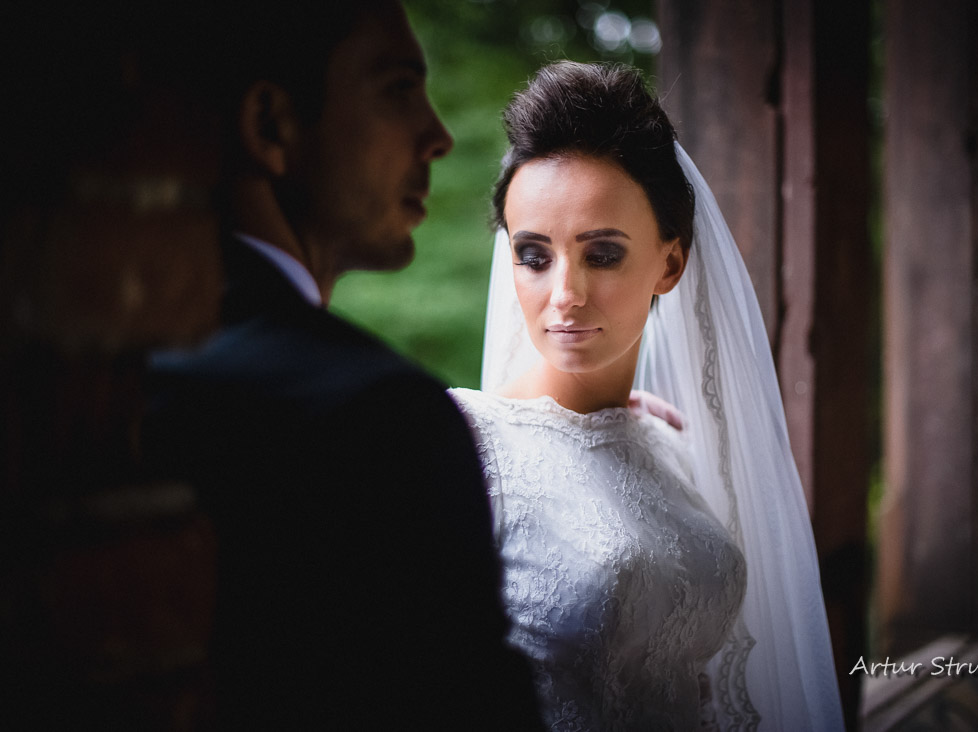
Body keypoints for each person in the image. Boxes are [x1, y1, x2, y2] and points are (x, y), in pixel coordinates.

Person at [141, 2, 541, 727]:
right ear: (271, 125)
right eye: (398, 88)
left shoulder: (109, 364)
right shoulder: (380, 417)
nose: (439, 136)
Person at [449, 61, 845, 730]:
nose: (565, 294)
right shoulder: (462, 445)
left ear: (670, 262)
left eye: (602, 254)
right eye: (534, 256)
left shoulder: (667, 443)